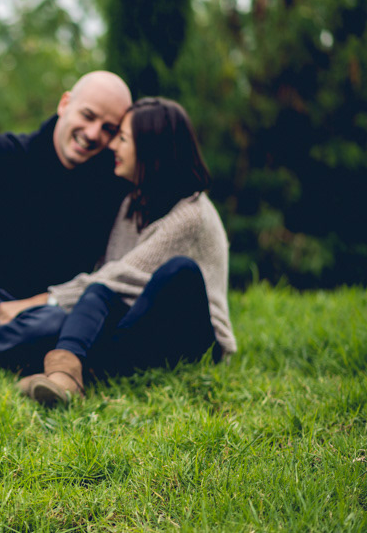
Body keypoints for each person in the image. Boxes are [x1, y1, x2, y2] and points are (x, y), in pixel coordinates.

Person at [16, 97, 238, 404]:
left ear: (149, 147)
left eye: (122, 138)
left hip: (197, 343)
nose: (112, 146)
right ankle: (64, 373)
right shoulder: (133, 204)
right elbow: (111, 282)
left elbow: (118, 277)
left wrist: (39, 301)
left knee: (178, 271)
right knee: (94, 298)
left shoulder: (192, 214)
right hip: (147, 328)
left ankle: (67, 368)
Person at [0, 71, 134, 368]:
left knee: (56, 324)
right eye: (88, 116)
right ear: (65, 104)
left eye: (108, 129)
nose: (93, 133)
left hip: (40, 313)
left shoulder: (113, 186)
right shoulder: (8, 152)